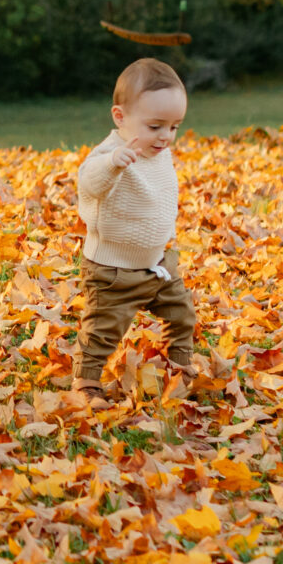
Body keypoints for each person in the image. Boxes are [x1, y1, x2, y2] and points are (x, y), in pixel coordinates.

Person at [71, 56, 197, 402]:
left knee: (182, 313)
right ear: (120, 117)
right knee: (102, 329)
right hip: (113, 270)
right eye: (156, 126)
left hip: (157, 263)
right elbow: (88, 182)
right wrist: (112, 165)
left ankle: (181, 365)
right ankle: (86, 381)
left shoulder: (157, 149)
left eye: (174, 127)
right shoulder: (111, 153)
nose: (166, 137)